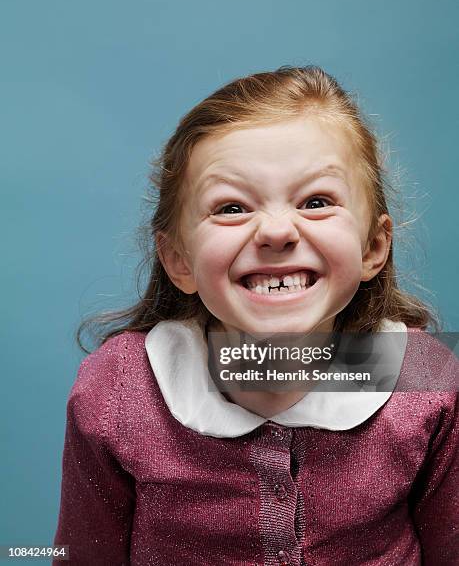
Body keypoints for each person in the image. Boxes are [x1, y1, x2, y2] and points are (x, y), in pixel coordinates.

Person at [53, 66, 458, 565]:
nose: (275, 231)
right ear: (179, 260)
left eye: (316, 201)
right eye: (230, 208)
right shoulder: (116, 390)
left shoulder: (428, 381)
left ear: (374, 246)